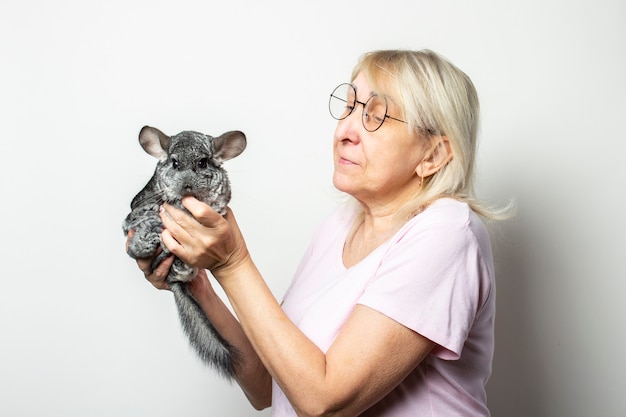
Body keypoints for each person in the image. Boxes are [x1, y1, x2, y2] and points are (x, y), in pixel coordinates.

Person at [130, 49, 511, 416]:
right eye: (348, 107)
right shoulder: (340, 227)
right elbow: (269, 385)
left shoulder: (447, 232)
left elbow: (325, 403)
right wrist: (197, 280)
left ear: (433, 156)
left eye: (375, 117)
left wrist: (231, 261)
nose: (344, 130)